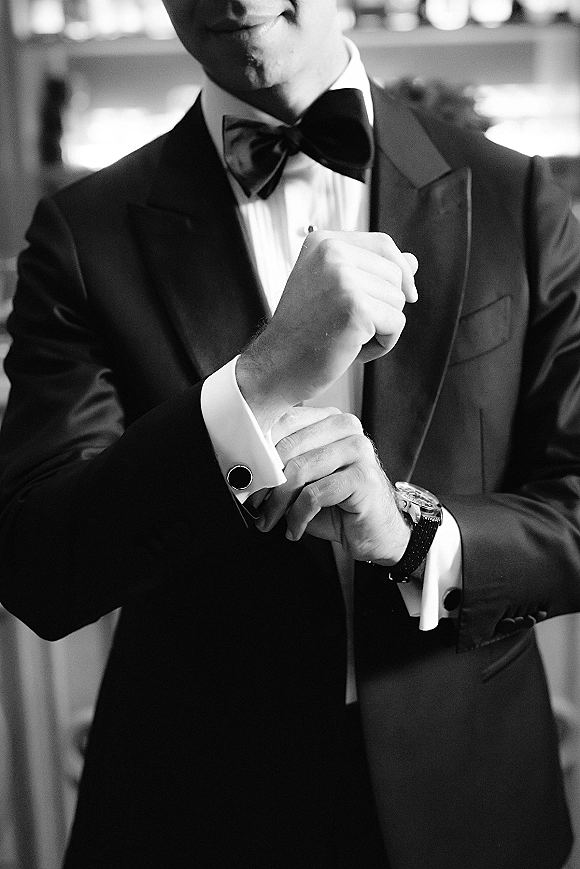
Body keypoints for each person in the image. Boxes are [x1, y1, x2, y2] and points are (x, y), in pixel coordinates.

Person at [0, 1, 579, 867]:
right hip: (196, 805)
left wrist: (409, 532)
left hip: (467, 793)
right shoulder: (83, 232)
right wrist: (258, 380)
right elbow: (41, 564)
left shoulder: (519, 196)